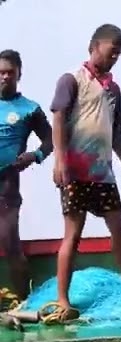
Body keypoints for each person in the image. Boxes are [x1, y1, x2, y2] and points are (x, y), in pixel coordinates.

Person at [49, 23, 121, 321]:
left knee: (120, 228)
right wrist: (60, 161)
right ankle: (62, 298)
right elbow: (58, 121)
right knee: (73, 235)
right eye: (112, 51)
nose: (115, 58)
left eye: (119, 54)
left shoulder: (114, 89)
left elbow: (116, 129)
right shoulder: (71, 80)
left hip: (103, 172)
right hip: (74, 171)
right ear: (94, 46)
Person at [0, 49, 53, 300]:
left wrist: (35, 156)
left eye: (10, 72)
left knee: (10, 243)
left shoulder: (30, 109)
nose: (5, 77)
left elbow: (52, 140)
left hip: (7, 185)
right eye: (0, 72)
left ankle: (24, 301)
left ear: (19, 74)